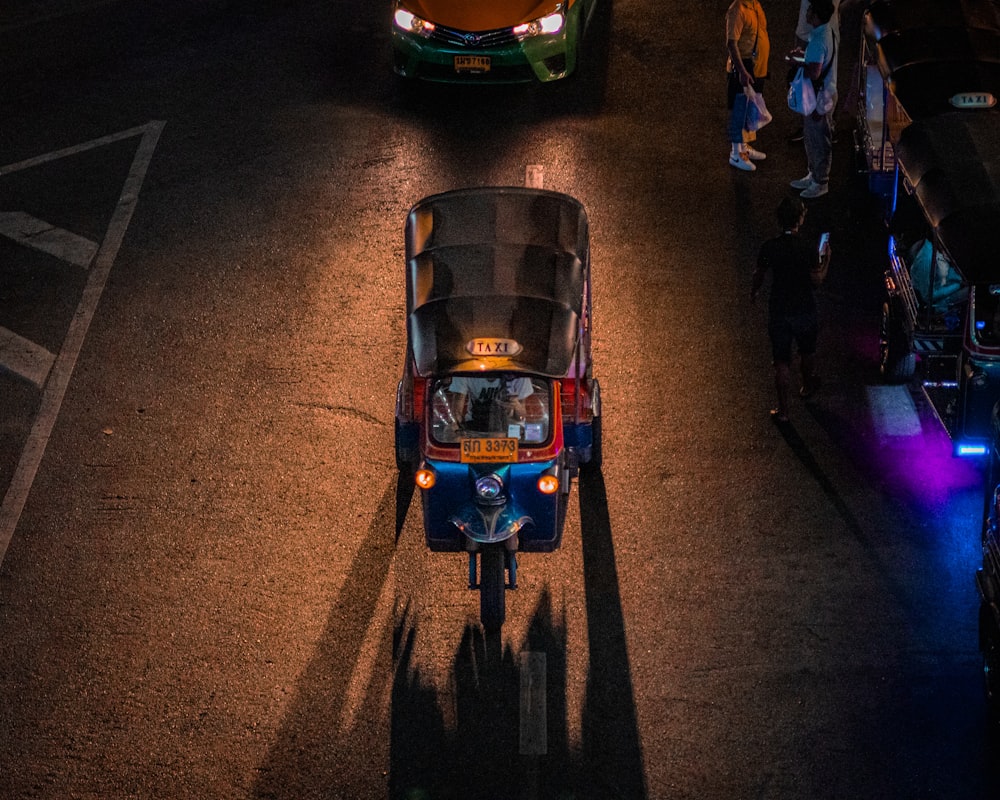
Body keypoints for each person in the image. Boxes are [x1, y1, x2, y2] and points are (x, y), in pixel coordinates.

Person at [751, 195, 831, 423]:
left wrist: (754, 292)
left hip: (780, 309)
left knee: (781, 361)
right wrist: (827, 261)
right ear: (800, 219)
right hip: (804, 308)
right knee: (807, 351)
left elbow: (759, 273)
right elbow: (817, 280)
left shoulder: (770, 247)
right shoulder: (807, 248)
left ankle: (784, 411)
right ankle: (806, 386)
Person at [789, 0, 838, 199]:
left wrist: (797, 62)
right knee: (812, 139)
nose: (806, 13)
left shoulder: (818, 40)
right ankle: (813, 175)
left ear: (816, 15)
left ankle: (820, 181)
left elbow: (815, 72)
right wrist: (803, 56)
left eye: (810, 10)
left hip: (819, 100)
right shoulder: (825, 32)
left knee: (818, 141)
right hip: (822, 96)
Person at [725, 0, 771, 172]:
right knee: (738, 109)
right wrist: (742, 71)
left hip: (757, 68)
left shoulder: (755, 5)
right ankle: (735, 153)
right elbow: (732, 43)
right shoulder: (737, 10)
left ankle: (743, 147)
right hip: (744, 67)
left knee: (748, 108)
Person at [447, 375, 533, 432]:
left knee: (534, 441)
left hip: (510, 426)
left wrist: (516, 405)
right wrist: (457, 429)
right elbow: (457, 411)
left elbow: (521, 416)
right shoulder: (465, 372)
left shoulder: (519, 375)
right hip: (477, 423)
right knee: (449, 431)